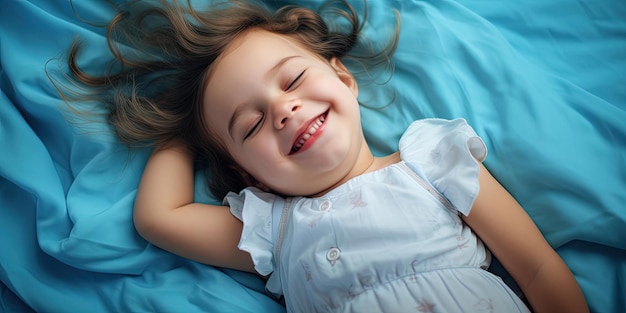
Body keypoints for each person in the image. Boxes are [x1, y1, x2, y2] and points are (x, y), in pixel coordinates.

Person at [57, 0, 588, 312]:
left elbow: (538, 268)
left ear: (343, 78)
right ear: (248, 173)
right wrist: (181, 121)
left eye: (292, 80)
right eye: (252, 124)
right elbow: (159, 217)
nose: (284, 109)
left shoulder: (432, 162)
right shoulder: (273, 229)